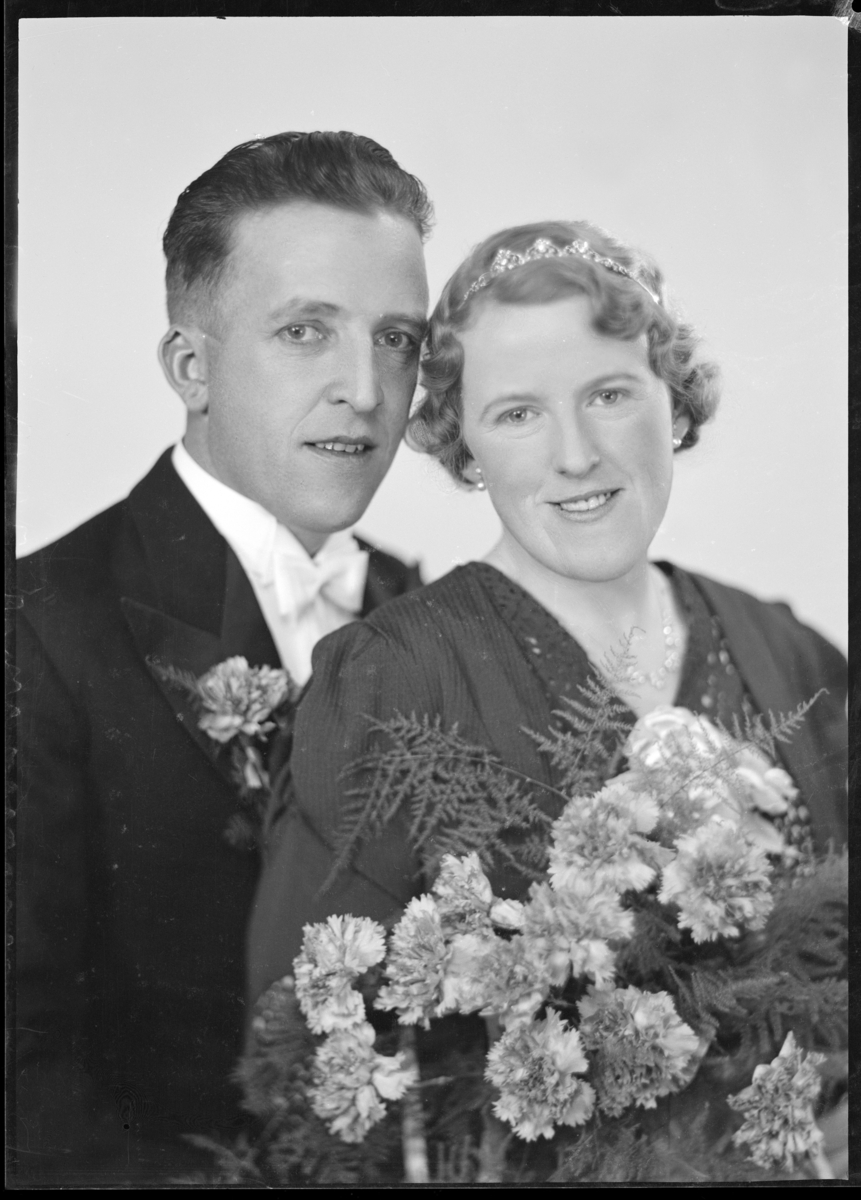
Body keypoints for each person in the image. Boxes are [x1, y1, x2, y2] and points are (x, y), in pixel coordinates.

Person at [248, 216, 847, 1004]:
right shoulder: (391, 677)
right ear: (466, 445)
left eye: (609, 394)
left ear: (672, 406)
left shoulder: (787, 653)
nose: (574, 454)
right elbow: (301, 1028)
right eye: (517, 413)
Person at [13, 130, 431, 1182]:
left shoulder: (416, 611)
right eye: (305, 331)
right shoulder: (38, 629)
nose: (366, 389)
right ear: (190, 368)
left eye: (396, 339)